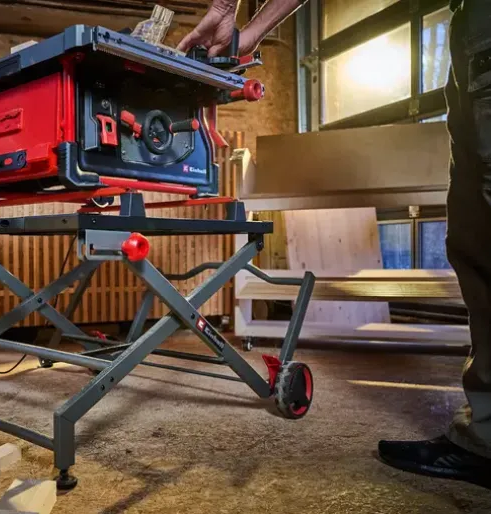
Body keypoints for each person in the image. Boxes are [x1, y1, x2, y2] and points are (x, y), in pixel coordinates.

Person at [179, 0, 491, 487]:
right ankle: (486, 441)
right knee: (477, 247)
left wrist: (228, 10)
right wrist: (248, 28)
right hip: (471, 31)